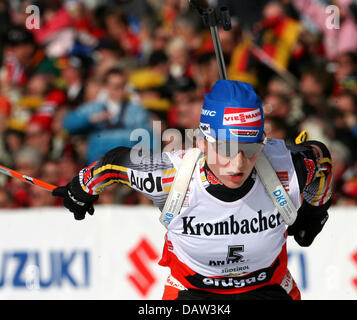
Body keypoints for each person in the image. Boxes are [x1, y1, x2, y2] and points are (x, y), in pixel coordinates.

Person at [52, 80, 333, 300]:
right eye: (225, 148)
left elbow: (321, 159)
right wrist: (81, 188)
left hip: (268, 289)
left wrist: (315, 211)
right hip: (192, 294)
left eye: (249, 149)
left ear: (263, 142)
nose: (237, 163)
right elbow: (113, 164)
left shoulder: (289, 166)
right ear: (200, 141)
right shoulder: (168, 177)